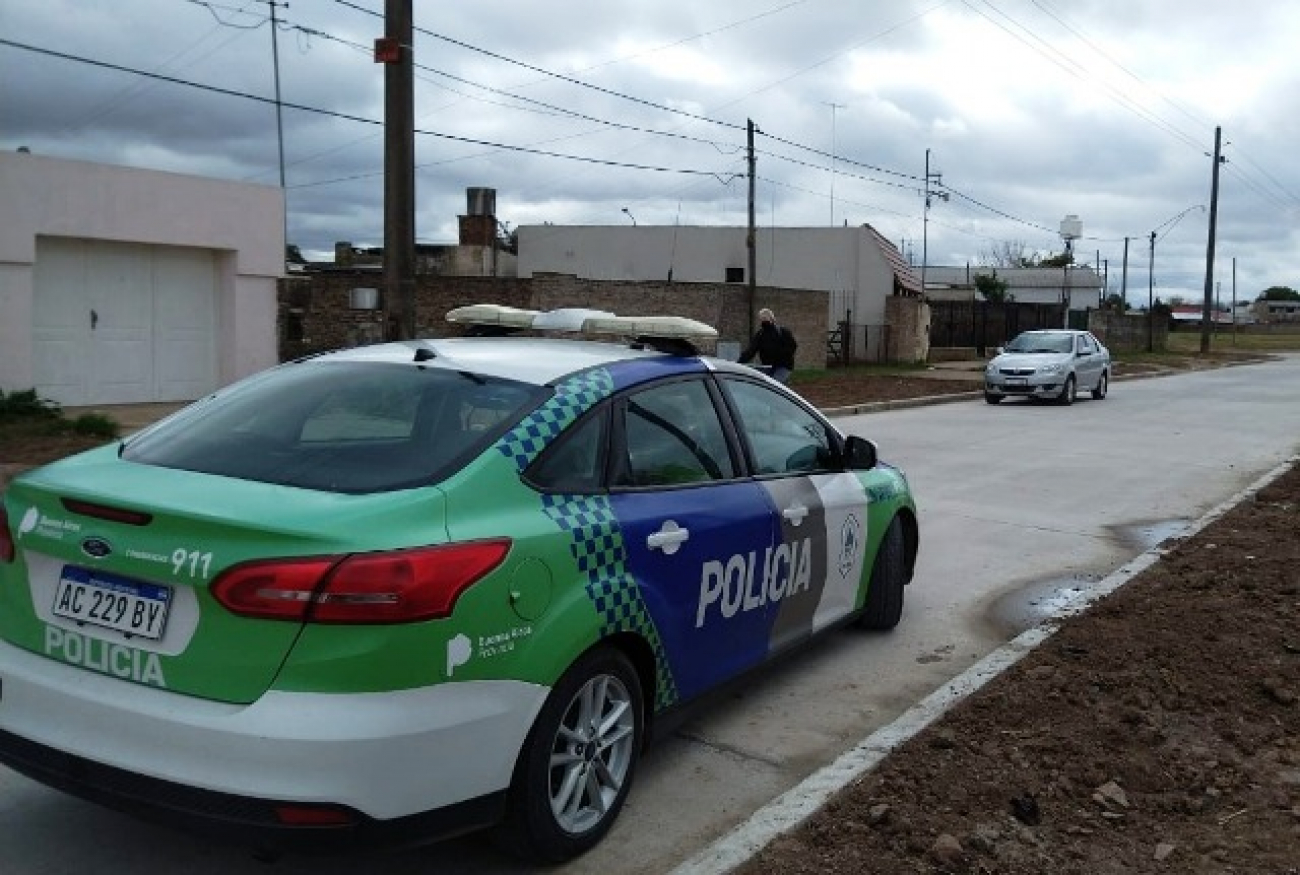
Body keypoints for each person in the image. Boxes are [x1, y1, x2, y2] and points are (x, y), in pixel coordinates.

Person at [738, 308, 797, 383]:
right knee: (762, 384)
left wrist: (780, 355)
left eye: (766, 317)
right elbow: (750, 351)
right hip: (768, 366)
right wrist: (739, 363)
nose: (764, 320)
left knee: (775, 384)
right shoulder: (760, 335)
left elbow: (793, 346)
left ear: (772, 318)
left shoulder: (783, 332)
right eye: (762, 318)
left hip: (783, 366)